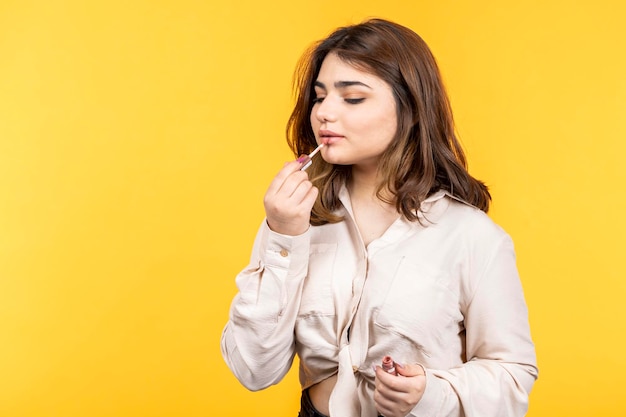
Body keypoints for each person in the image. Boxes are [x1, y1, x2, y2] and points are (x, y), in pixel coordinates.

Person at [220, 18, 538, 417]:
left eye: (352, 98)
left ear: (412, 110)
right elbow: (253, 369)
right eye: (320, 97)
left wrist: (429, 394)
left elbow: (512, 380)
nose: (324, 114)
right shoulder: (298, 217)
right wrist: (282, 237)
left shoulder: (472, 237)